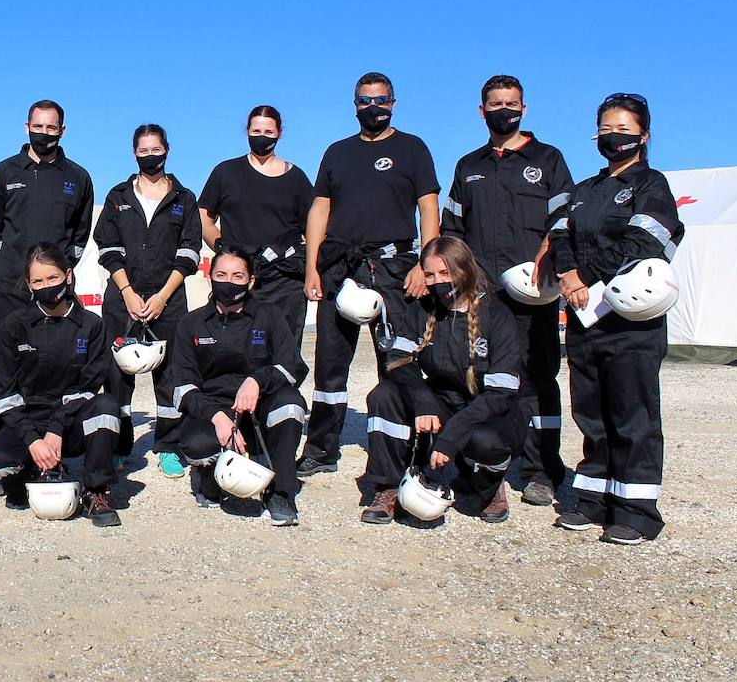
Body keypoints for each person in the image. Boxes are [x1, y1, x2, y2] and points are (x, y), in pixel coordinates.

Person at [549, 94, 684, 545]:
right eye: (605, 130)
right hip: (586, 316)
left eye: (623, 130)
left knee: (632, 413)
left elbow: (645, 239)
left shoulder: (651, 185)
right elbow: (561, 233)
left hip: (629, 321)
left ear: (643, 135)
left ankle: (635, 510)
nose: (613, 138)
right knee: (591, 411)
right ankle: (592, 499)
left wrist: (587, 273)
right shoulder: (586, 190)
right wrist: (567, 275)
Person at [441, 75, 575, 507]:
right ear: (482, 112)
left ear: (524, 108)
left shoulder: (548, 159)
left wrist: (548, 250)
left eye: (512, 103)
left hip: (531, 294)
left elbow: (565, 218)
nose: (504, 109)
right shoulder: (468, 165)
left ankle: (541, 471)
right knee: (481, 378)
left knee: (538, 379)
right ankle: (489, 464)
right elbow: (452, 231)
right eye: (496, 103)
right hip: (483, 297)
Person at [298, 71, 441, 477]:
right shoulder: (337, 152)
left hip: (396, 269)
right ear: (355, 104)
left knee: (397, 360)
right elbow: (319, 210)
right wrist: (312, 267)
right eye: (365, 101)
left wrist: (424, 265)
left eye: (380, 100)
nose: (373, 107)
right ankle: (321, 450)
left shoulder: (412, 148)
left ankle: (399, 449)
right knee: (330, 366)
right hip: (341, 268)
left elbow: (428, 208)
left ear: (393, 103)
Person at [360, 236, 523, 525]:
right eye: (431, 275)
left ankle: (489, 484)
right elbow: (398, 358)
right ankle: (387, 487)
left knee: (486, 441)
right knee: (383, 394)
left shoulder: (498, 315)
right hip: (441, 401)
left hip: (487, 410)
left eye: (446, 273)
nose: (438, 282)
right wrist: (423, 400)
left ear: (466, 270)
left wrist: (450, 438)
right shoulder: (422, 308)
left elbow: (501, 393)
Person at [0, 243, 122, 526]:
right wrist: (31, 437)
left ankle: (96, 492)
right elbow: (4, 391)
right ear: (29, 284)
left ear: (68, 276)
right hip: (27, 420)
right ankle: (28, 470)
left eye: (53, 278)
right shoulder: (13, 325)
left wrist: (56, 429)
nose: (46, 286)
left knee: (106, 406)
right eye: (38, 281)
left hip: (70, 422)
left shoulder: (92, 325)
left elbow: (89, 385)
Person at [171, 243, 311, 525]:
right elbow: (182, 387)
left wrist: (258, 379)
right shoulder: (191, 323)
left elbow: (294, 367)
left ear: (251, 281)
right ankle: (209, 477)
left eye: (238, 276)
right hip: (216, 410)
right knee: (198, 444)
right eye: (221, 275)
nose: (228, 282)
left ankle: (279, 492)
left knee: (291, 407)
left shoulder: (270, 316)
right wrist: (218, 417)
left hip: (262, 403)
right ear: (210, 277)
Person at [92, 123, 201, 478]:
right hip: (122, 301)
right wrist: (127, 293)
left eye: (156, 149)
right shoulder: (118, 196)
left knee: (169, 376)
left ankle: (168, 446)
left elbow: (188, 254)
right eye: (143, 150)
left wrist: (161, 296)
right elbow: (108, 249)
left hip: (167, 300)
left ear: (167, 150)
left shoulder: (184, 199)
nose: (150, 156)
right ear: (134, 152)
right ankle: (119, 448)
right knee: (118, 378)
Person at [199, 105, 315, 341]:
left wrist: (312, 269)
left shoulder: (297, 178)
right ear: (247, 131)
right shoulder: (225, 172)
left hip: (285, 280)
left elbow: (313, 229)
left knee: (283, 350)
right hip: (239, 280)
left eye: (269, 132)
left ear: (280, 133)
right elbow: (204, 218)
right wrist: (223, 249)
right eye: (256, 131)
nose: (262, 137)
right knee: (235, 349)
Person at [0, 100, 94, 330]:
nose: (44, 133)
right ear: (27, 127)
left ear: (62, 131)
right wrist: (11, 263)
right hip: (8, 288)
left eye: (51, 128)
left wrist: (56, 273)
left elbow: (80, 235)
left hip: (55, 292)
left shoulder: (78, 177)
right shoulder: (3, 172)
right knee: (5, 359)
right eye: (38, 127)